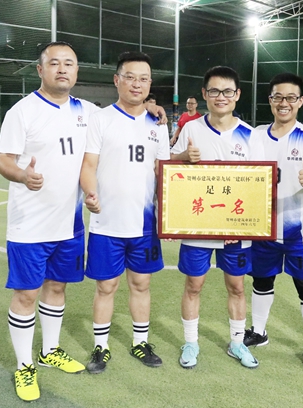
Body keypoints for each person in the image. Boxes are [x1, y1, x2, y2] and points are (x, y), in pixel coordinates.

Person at [0, 41, 97, 402]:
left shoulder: (87, 111)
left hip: (69, 224)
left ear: (76, 71)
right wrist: (23, 175)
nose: (62, 69)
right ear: (41, 70)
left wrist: (153, 109)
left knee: (57, 287)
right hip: (30, 225)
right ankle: (24, 365)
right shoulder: (22, 111)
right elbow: (3, 160)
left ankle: (49, 351)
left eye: (69, 63)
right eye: (54, 63)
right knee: (26, 293)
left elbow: (120, 118)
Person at [80, 51, 170, 374]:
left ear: (150, 84)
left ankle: (139, 342)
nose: (137, 84)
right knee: (106, 287)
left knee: (141, 284)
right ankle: (101, 347)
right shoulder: (100, 119)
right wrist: (90, 193)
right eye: (130, 77)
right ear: (117, 80)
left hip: (144, 224)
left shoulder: (158, 124)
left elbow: (163, 172)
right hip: (107, 222)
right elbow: (88, 165)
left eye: (143, 79)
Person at [170, 66, 259, 370]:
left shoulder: (250, 134)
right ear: (204, 94)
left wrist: (239, 225)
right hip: (198, 224)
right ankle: (191, 342)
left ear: (237, 94)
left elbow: (258, 184)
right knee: (194, 284)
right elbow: (170, 167)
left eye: (227, 91)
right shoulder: (191, 129)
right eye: (214, 91)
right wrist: (184, 158)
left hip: (236, 228)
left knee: (237, 286)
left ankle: (237, 343)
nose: (221, 97)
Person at [244, 73, 303, 375]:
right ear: (269, 100)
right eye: (277, 97)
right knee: (261, 280)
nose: (284, 103)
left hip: (301, 231)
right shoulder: (255, 135)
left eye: (291, 97)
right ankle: (259, 332)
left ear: (300, 101)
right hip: (263, 228)